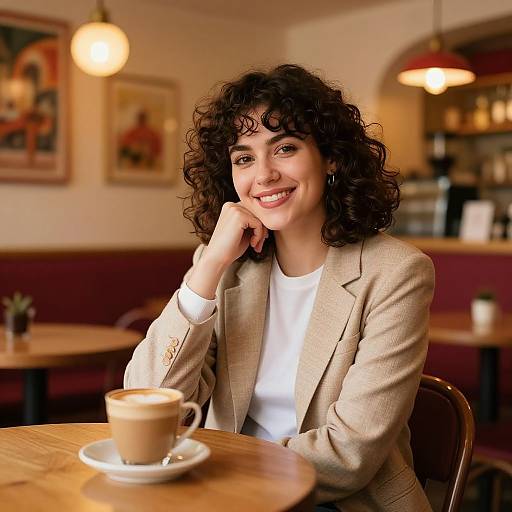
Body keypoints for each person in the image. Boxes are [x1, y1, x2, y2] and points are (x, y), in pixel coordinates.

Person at [124, 64, 435, 512]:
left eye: (284, 148)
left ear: (331, 157)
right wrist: (210, 263)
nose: (264, 174)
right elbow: (147, 400)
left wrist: (217, 468)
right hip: (222, 496)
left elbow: (350, 456)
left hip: (337, 501)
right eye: (244, 158)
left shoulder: (397, 273)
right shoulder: (224, 269)